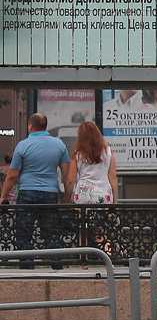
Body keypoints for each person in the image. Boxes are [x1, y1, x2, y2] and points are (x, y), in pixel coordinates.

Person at [1, 114, 70, 267]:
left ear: (31, 126)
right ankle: (57, 266)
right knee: (52, 232)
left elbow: (13, 175)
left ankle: (27, 267)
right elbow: (67, 174)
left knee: (24, 233)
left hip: (27, 193)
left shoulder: (23, 145)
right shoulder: (59, 145)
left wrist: (3, 196)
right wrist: (67, 196)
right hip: (50, 193)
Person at [67, 121, 117, 204]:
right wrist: (115, 200)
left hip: (84, 195)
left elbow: (71, 180)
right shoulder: (108, 152)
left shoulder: (78, 154)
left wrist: (67, 198)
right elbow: (113, 177)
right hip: (103, 194)